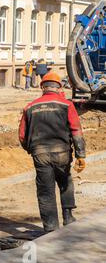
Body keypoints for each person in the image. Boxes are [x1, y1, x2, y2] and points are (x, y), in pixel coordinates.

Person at [19, 72, 86, 233]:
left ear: (42, 87)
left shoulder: (30, 107)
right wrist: (80, 155)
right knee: (65, 182)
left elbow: (22, 135)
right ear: (59, 87)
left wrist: (32, 149)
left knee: (45, 190)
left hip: (40, 154)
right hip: (62, 152)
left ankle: (50, 228)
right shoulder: (66, 105)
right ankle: (68, 218)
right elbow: (76, 130)